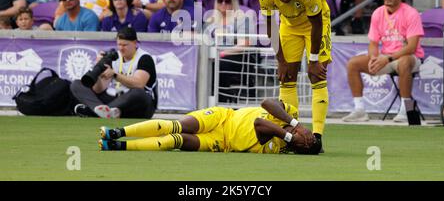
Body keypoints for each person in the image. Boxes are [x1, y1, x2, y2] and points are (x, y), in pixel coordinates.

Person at [258, 0, 332, 154]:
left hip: (315, 25)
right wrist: (280, 60)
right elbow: (270, 26)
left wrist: (314, 60)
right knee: (287, 77)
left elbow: (316, 24)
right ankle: (292, 133)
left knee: (317, 76)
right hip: (289, 26)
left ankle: (317, 137)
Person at [98, 98, 318, 154]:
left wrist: (290, 137)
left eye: (305, 143)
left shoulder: (278, 146)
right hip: (223, 117)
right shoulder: (291, 115)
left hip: (221, 142)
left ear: (298, 148)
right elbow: (266, 103)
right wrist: (295, 124)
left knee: (179, 140)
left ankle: (118, 146)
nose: (302, 137)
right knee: (176, 126)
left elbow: (261, 124)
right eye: (308, 136)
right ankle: (118, 132)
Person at [342, 0, 425, 123]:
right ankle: (359, 109)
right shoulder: (378, 13)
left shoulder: (411, 14)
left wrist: (387, 59)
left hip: (410, 57)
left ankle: (406, 110)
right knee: (353, 63)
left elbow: (411, 47)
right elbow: (373, 43)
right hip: (386, 57)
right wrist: (374, 57)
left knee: (405, 62)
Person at [71, 27, 158, 119]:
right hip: (116, 100)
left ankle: (97, 113)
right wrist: (99, 74)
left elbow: (139, 84)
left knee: (138, 93)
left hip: (139, 104)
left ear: (135, 43)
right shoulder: (114, 56)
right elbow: (98, 89)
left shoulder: (144, 58)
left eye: (125, 45)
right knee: (76, 84)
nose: (121, 48)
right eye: (119, 44)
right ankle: (99, 109)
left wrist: (115, 75)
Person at [204, 0, 254, 102]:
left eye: (227, 1)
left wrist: (222, 53)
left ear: (234, 3)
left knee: (220, 64)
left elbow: (245, 43)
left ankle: (221, 99)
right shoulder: (209, 21)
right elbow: (202, 41)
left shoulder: (242, 20)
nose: (223, 4)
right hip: (212, 56)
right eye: (220, 1)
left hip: (235, 56)